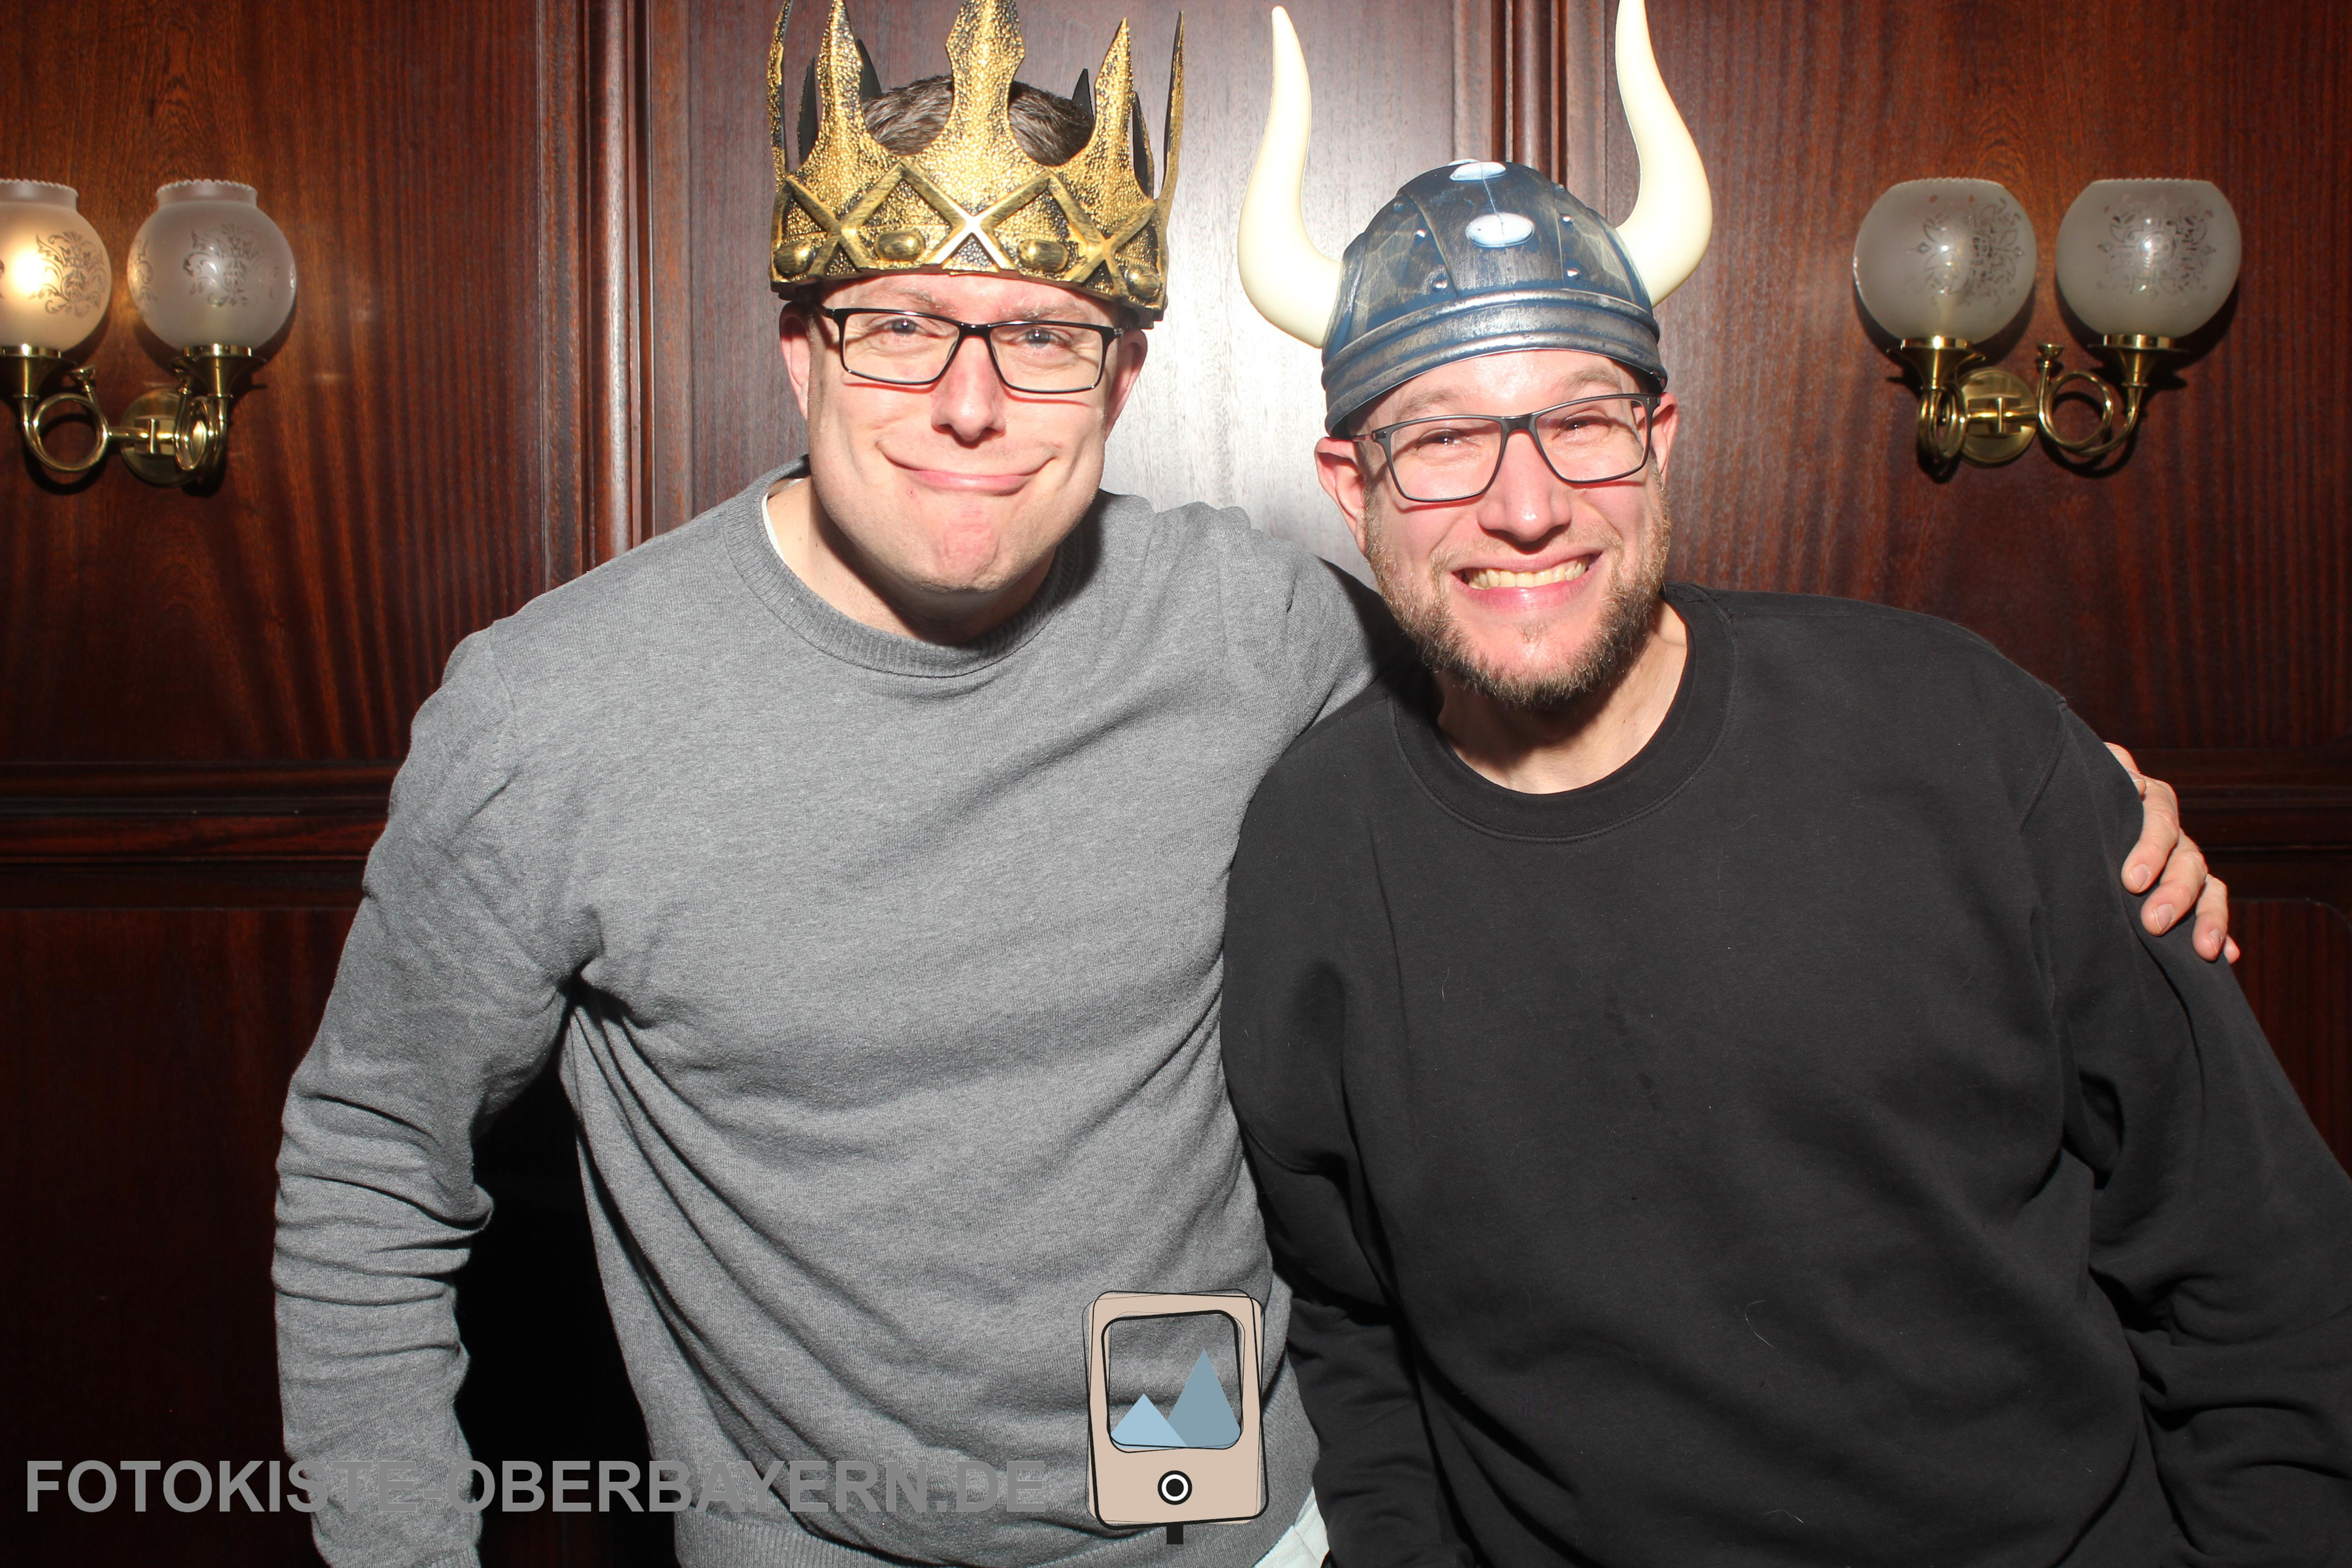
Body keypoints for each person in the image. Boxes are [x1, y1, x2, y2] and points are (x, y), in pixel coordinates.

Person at [271, 1, 2225, 1565]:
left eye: (1045, 338)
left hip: (1254, 1525)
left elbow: (1559, 649)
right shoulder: (556, 714)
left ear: (1124, 381)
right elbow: (370, 1173)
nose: (971, 398)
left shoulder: (1262, 627)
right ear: (799, 350)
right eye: (899, 326)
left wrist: (2045, 796)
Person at [1217, 6, 2351, 1567]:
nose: (1527, 504)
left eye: (1582, 423)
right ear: (1353, 489)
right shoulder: (1311, 853)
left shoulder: (1959, 738)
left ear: (1661, 439)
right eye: (1446, 442)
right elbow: (1354, 1329)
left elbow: (2258, 1259)